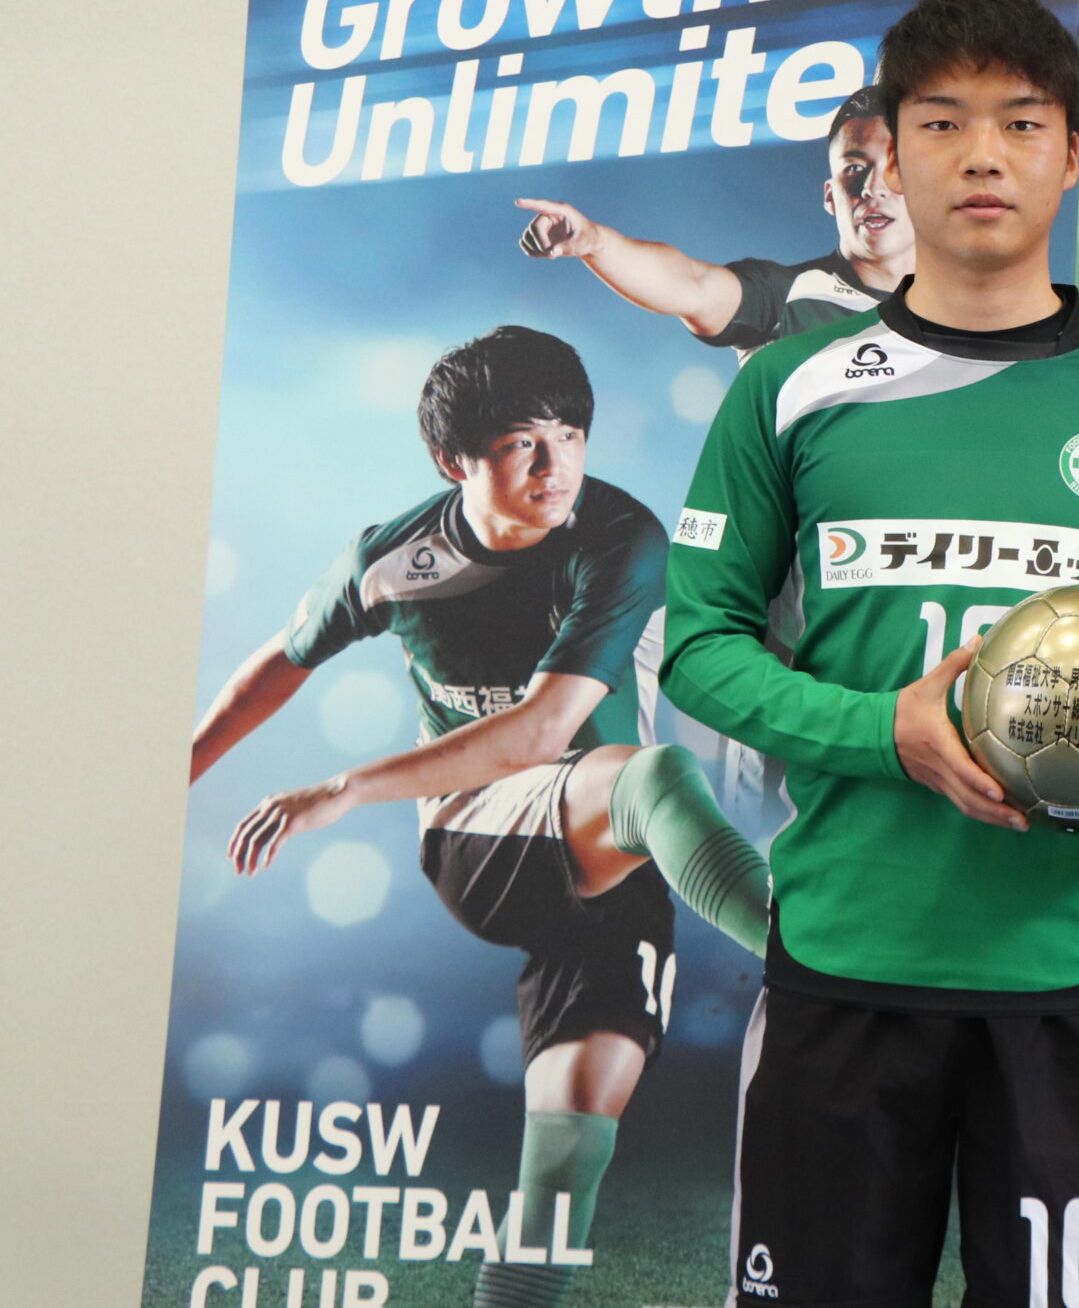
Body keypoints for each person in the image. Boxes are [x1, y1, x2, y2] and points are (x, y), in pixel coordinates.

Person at [661, 0, 1079, 1308]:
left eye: (1022, 121)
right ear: (889, 156)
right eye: (942, 122)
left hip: (1070, 969)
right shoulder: (789, 388)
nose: (983, 154)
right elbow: (700, 647)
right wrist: (883, 730)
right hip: (843, 956)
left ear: (1071, 154)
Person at [189, 324, 772, 1308]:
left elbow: (560, 723)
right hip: (481, 834)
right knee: (652, 778)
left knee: (562, 1171)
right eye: (521, 444)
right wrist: (174, 775)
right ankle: (825, 960)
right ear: (451, 458)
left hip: (610, 857)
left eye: (571, 436)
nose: (556, 466)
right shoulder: (390, 557)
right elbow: (283, 661)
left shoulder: (621, 536)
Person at [516, 85, 914, 354]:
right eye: (854, 169)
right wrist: (596, 243)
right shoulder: (786, 295)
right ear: (830, 196)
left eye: (896, 169)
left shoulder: (953, 313)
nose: (872, 188)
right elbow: (690, 285)